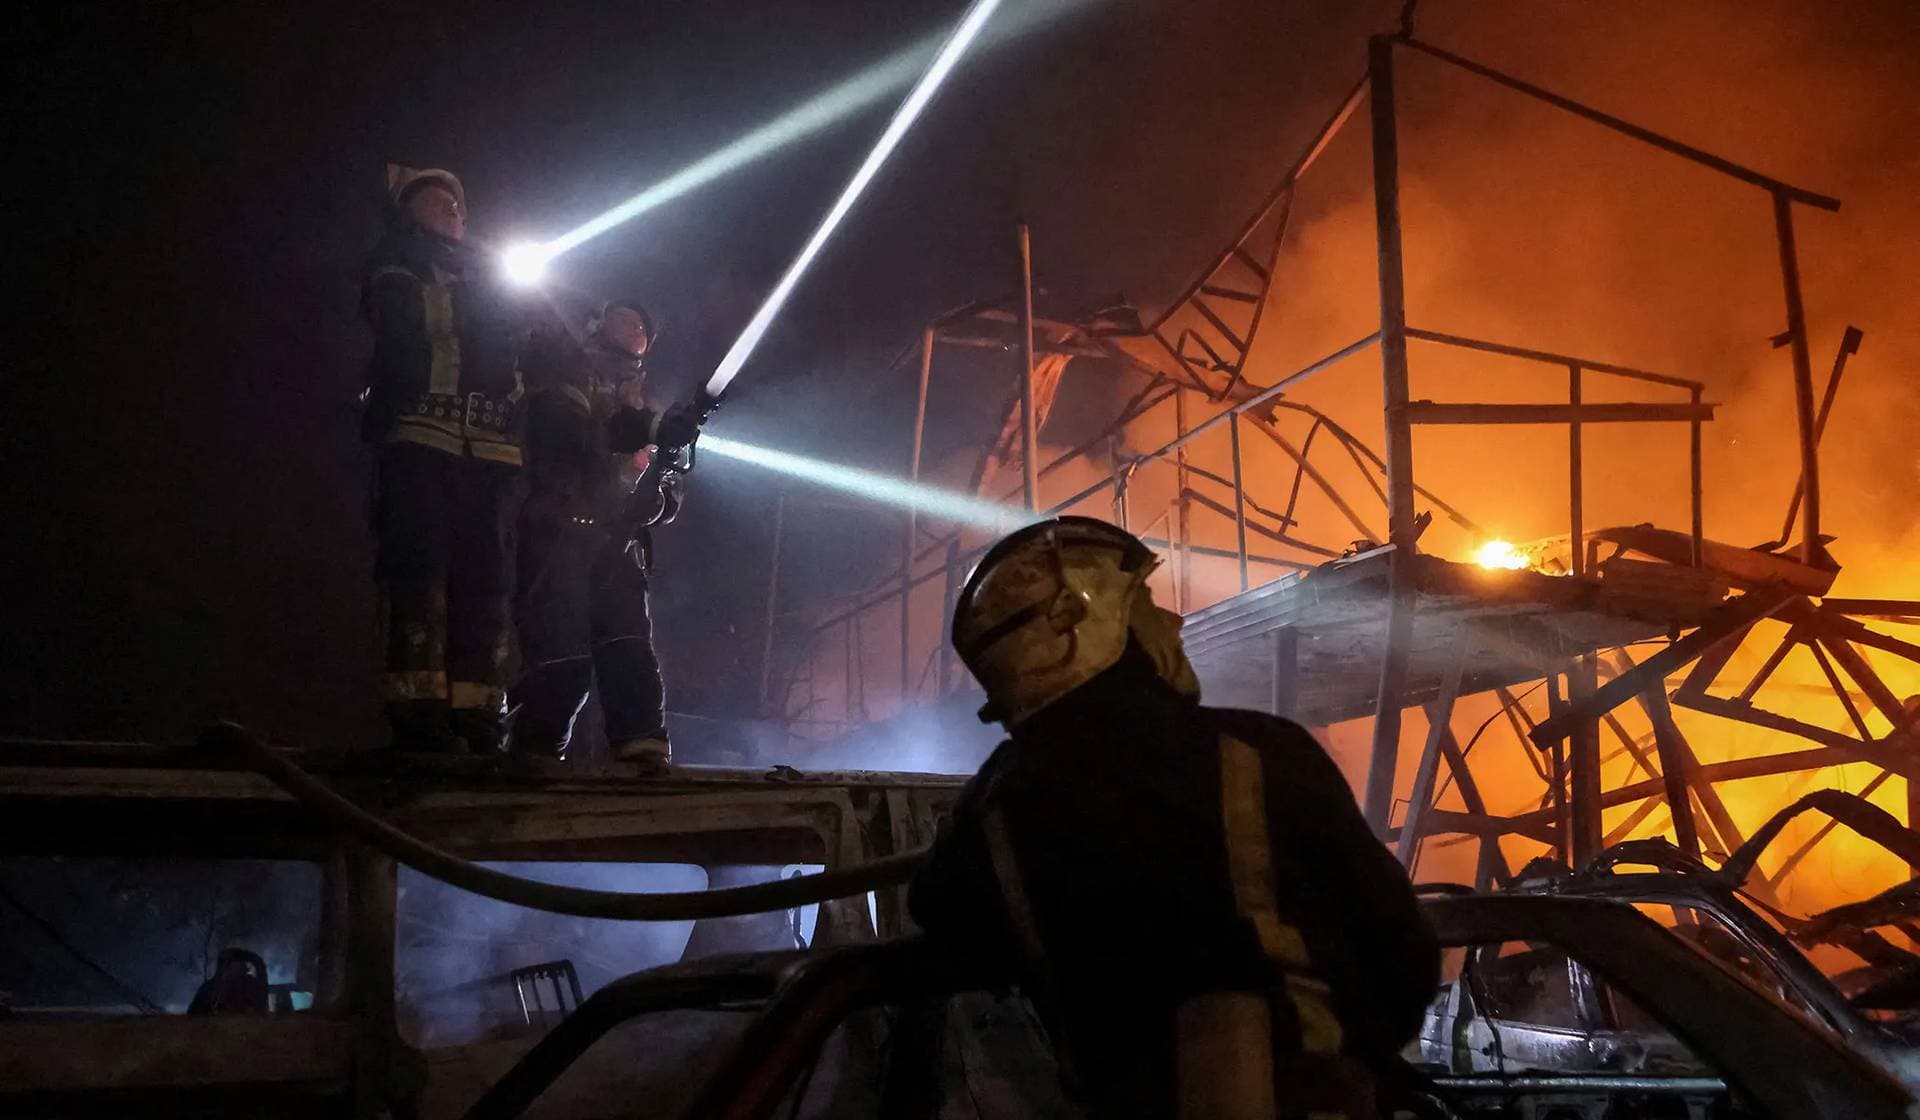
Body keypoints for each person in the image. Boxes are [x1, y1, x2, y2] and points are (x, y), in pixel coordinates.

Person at [909, 517, 1439, 1119]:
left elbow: (941, 916)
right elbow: (1402, 960)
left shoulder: (990, 815)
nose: (1173, 623)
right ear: (1075, 628)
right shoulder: (1261, 754)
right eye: (1146, 608)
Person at [359, 165, 525, 753]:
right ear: (408, 216)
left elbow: (520, 353)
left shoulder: (485, 277)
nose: (451, 212)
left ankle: (479, 713)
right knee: (419, 570)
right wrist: (474, 294)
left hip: (490, 451)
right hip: (421, 439)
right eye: (434, 204)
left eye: (456, 205)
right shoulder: (395, 270)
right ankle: (418, 709)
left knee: (487, 581)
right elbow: (415, 329)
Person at [508, 298, 699, 770]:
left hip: (618, 544)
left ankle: (641, 746)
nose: (633, 327)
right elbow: (563, 435)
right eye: (625, 316)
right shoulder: (561, 369)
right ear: (599, 323)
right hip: (559, 532)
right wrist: (639, 432)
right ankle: (535, 747)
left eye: (641, 324)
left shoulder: (653, 416)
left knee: (628, 645)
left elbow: (668, 498)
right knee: (561, 654)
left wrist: (657, 470)